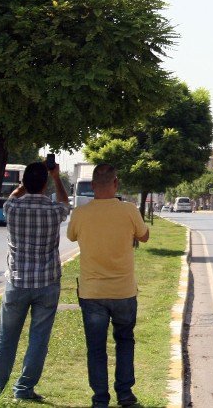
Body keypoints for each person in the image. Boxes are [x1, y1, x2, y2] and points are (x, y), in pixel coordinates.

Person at [0, 161, 70, 402]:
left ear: (24, 183)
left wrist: (26, 184)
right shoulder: (54, 211)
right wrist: (56, 177)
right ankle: (23, 389)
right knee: (38, 339)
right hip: (46, 283)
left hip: (17, 282)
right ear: (45, 184)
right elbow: (65, 203)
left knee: (6, 338)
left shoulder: (12, 208)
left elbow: (13, 195)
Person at [68, 164, 149, 408]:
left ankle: (100, 398)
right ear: (116, 184)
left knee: (96, 348)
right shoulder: (129, 210)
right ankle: (125, 394)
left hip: (92, 292)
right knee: (125, 341)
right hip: (123, 291)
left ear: (92, 185)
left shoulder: (80, 214)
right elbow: (144, 236)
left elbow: (71, 236)